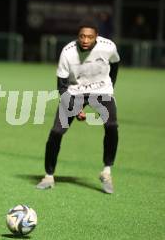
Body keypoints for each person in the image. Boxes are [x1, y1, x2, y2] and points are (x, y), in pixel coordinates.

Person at [36, 18, 120, 194]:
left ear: (96, 37)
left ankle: (106, 171)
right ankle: (49, 176)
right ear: (78, 36)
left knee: (111, 125)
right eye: (82, 36)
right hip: (74, 92)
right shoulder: (67, 52)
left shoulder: (108, 46)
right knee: (56, 132)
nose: (85, 40)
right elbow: (61, 86)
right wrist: (76, 108)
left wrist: (109, 86)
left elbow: (115, 64)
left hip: (101, 90)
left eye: (90, 37)